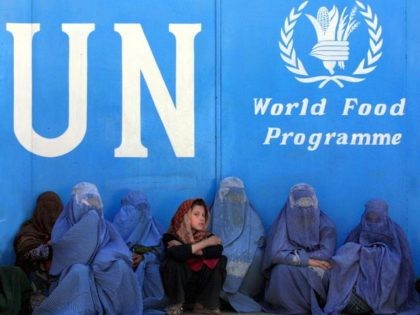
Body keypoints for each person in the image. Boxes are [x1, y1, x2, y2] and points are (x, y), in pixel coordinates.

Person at [33, 182, 142, 315]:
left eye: (94, 201)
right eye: (86, 201)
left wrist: (102, 260)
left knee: (120, 266)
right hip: (70, 273)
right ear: (75, 204)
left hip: (101, 269)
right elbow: (65, 255)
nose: (91, 207)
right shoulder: (63, 226)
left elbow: (117, 248)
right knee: (79, 272)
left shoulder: (105, 226)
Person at [324, 199, 419, 315]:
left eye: (377, 218)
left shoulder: (396, 233)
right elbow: (344, 262)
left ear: (385, 216)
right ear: (365, 216)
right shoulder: (358, 231)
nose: (373, 222)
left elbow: (402, 263)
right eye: (370, 217)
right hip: (358, 287)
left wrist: (371, 254)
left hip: (390, 287)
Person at [262, 183, 336, 315]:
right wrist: (307, 261)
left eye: (308, 203)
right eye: (300, 203)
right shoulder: (283, 223)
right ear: (291, 205)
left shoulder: (326, 225)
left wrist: (298, 258)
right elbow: (275, 254)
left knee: (324, 271)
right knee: (280, 271)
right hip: (299, 263)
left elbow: (326, 253)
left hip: (311, 262)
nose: (304, 208)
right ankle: (288, 307)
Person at [161, 198, 226, 315]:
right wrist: (205, 244)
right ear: (185, 216)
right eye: (196, 214)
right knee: (173, 262)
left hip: (199, 288)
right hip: (181, 289)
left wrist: (189, 248)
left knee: (220, 260)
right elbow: (177, 254)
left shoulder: (207, 236)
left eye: (203, 215)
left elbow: (218, 250)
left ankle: (204, 305)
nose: (202, 218)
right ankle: (176, 304)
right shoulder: (171, 236)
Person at [210, 177, 265, 312]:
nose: (234, 200)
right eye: (230, 195)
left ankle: (245, 294)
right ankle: (218, 297)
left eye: (237, 196)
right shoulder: (212, 213)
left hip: (245, 247)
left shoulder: (251, 214)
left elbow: (259, 236)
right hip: (219, 246)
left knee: (258, 255)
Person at [112, 190, 167, 314]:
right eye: (135, 208)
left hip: (147, 269)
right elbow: (107, 253)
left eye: (144, 208)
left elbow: (160, 254)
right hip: (122, 268)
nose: (141, 212)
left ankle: (148, 305)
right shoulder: (115, 228)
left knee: (153, 269)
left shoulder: (154, 228)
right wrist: (125, 258)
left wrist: (144, 258)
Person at [14, 191, 63, 309]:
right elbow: (25, 249)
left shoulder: (65, 229)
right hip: (33, 278)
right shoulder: (30, 228)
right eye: (46, 209)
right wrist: (49, 249)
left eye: (55, 208)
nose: (51, 214)